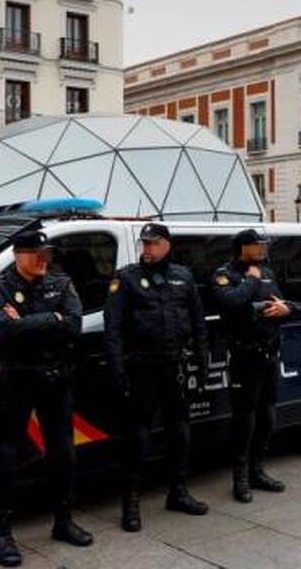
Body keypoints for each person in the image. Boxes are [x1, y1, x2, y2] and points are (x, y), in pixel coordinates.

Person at [0, 223, 91, 566]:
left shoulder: (61, 283)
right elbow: (2, 329)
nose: (43, 260)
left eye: (46, 254)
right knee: (6, 456)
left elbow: (73, 324)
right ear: (18, 255)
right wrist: (51, 319)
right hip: (16, 380)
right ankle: (2, 535)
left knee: (63, 453)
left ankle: (63, 521)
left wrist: (27, 322)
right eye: (36, 254)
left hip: (55, 379)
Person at [103, 222, 211, 532]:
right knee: (138, 437)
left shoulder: (183, 276)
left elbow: (197, 320)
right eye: (143, 244)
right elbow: (113, 331)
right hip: (142, 368)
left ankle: (178, 492)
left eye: (152, 244)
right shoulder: (126, 279)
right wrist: (118, 370)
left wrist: (202, 360)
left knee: (180, 431)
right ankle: (131, 503)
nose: (146, 249)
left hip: (174, 366)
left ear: (167, 245)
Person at [213, 229, 292, 503]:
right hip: (245, 357)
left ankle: (258, 470)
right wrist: (249, 281)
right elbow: (232, 304)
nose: (263, 249)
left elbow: (282, 302)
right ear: (242, 248)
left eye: (263, 244)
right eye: (258, 245)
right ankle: (240, 478)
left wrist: (285, 311)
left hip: (269, 354)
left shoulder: (266, 271)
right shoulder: (226, 274)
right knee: (243, 419)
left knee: (267, 416)